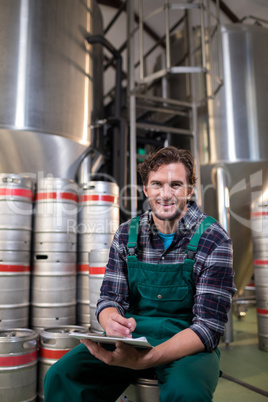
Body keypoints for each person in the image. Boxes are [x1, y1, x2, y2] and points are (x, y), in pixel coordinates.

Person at [44, 146, 236, 401]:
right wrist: (109, 319)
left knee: (186, 393)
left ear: (190, 191)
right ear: (146, 189)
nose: (166, 194)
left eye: (176, 185)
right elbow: (110, 298)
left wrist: (149, 358)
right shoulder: (126, 234)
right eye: (157, 184)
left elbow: (209, 327)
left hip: (188, 345)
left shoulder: (213, 239)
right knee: (62, 375)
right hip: (132, 338)